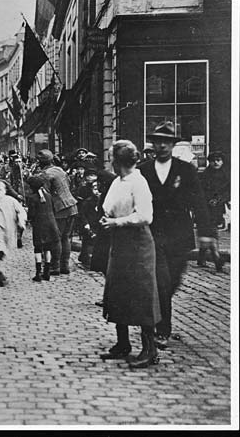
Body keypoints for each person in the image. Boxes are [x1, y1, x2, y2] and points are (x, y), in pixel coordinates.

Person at [138, 121, 215, 349]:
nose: (161, 146)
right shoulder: (143, 170)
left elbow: (199, 202)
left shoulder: (186, 170)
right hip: (154, 232)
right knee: (161, 282)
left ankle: (160, 314)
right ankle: (162, 329)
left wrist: (206, 233)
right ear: (152, 144)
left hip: (179, 234)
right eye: (157, 141)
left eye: (166, 142)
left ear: (172, 145)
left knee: (172, 282)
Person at [100, 140, 161, 368]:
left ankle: (150, 349)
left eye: (112, 158)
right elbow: (110, 206)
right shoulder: (118, 181)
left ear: (119, 161)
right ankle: (122, 343)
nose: (111, 162)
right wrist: (107, 219)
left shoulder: (138, 182)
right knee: (117, 290)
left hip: (138, 243)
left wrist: (117, 222)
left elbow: (146, 216)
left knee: (142, 292)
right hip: (120, 241)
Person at [33, 149, 78, 275]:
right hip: (72, 206)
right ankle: (65, 266)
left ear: (41, 163)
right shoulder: (60, 170)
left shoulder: (46, 174)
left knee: (55, 238)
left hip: (60, 209)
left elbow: (45, 195)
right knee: (66, 237)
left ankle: (55, 267)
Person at [0, 180, 27, 286]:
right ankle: (1, 275)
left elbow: (21, 211)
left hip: (9, 230)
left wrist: (21, 221)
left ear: (5, 190)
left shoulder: (11, 200)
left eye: (1, 189)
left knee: (3, 252)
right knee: (1, 250)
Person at [197, 151, 230, 270]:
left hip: (218, 207)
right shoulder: (204, 175)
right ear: (209, 162)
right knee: (211, 230)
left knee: (210, 230)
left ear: (222, 161)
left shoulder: (226, 175)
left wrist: (219, 199)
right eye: (213, 160)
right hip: (204, 207)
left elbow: (228, 192)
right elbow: (199, 191)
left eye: (218, 160)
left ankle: (201, 257)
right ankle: (216, 258)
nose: (216, 162)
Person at [26, 176, 60, 282]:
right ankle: (46, 272)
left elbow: (31, 215)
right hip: (51, 224)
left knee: (38, 248)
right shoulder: (48, 196)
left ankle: (38, 273)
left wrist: (27, 212)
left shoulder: (32, 198)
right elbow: (53, 210)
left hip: (39, 225)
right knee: (47, 248)